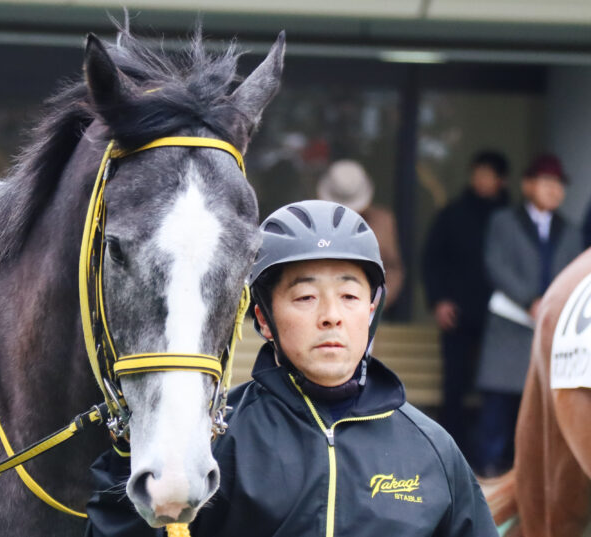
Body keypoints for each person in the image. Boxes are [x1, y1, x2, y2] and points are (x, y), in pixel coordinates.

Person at [87, 200, 496, 537]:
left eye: (350, 295)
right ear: (263, 318)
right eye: (304, 297)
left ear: (372, 309)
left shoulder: (432, 448)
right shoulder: (214, 439)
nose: (331, 316)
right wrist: (130, 449)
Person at [474, 153, 582, 477]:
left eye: (559, 185)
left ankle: (530, 473)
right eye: (548, 182)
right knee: (499, 404)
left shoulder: (571, 230)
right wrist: (528, 300)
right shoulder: (503, 221)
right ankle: (488, 472)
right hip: (510, 324)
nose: (555, 191)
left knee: (541, 405)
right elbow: (496, 265)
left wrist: (552, 304)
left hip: (551, 329)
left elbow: (574, 273)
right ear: (528, 185)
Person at [421, 150, 510, 458]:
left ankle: (493, 459)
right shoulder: (453, 214)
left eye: (488, 174)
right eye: (478, 172)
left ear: (502, 180)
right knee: (454, 387)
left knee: (498, 389)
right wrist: (438, 301)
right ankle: (450, 454)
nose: (481, 180)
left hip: (501, 322)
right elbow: (432, 260)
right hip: (457, 314)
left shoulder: (510, 219)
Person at [317, 159, 404, 306]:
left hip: (367, 311)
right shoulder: (314, 221)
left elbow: (393, 267)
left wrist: (379, 299)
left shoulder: (383, 222)